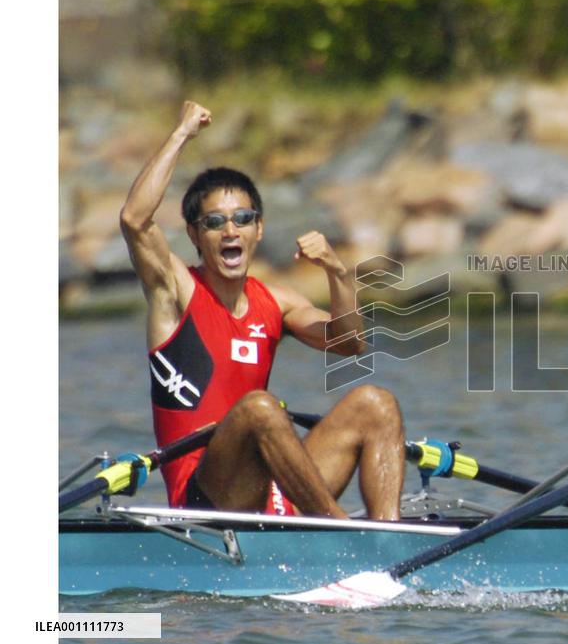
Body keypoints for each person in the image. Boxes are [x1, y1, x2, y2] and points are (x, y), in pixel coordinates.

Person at [120, 100, 405, 520]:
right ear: (196, 236)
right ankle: (340, 532)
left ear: (259, 230)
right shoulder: (175, 290)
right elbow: (134, 220)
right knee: (260, 407)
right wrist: (181, 133)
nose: (230, 230)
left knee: (376, 403)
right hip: (205, 500)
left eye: (242, 218)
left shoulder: (278, 302)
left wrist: (338, 272)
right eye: (215, 222)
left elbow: (350, 344)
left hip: (271, 492)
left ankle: (388, 542)